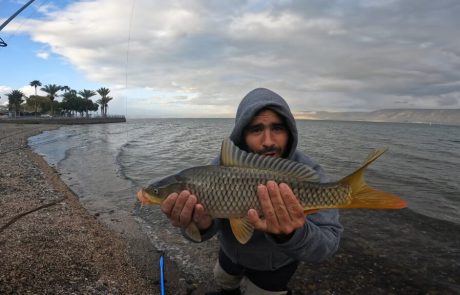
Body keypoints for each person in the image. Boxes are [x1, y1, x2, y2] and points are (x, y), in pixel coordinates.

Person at [160, 88, 343, 295]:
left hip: (276, 265)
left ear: (290, 131)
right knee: (225, 281)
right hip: (231, 255)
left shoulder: (311, 173)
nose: (268, 141)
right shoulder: (219, 169)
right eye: (256, 130)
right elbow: (201, 231)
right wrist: (202, 226)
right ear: (241, 135)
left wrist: (291, 234)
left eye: (277, 128)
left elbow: (328, 244)